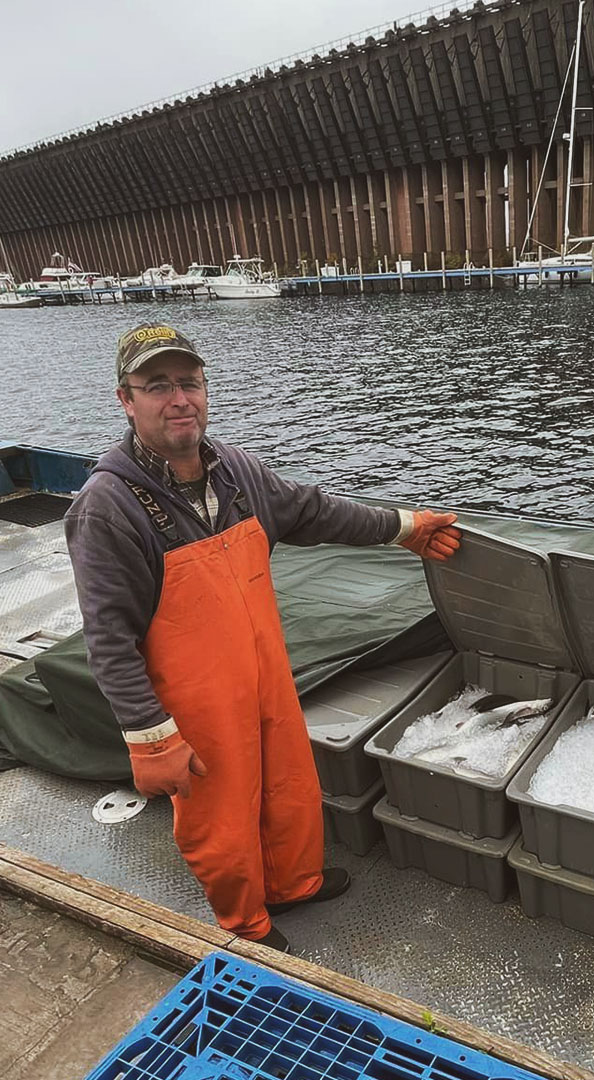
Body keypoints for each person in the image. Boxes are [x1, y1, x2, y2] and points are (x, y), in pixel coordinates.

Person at [66, 323, 459, 951]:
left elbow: (315, 511)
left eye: (189, 383)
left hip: (266, 672)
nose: (179, 400)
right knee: (220, 819)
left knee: (288, 786)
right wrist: (149, 735)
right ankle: (245, 925)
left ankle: (294, 883)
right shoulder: (107, 506)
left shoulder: (236, 472)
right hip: (196, 704)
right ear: (125, 399)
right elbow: (108, 637)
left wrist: (404, 526)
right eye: (157, 386)